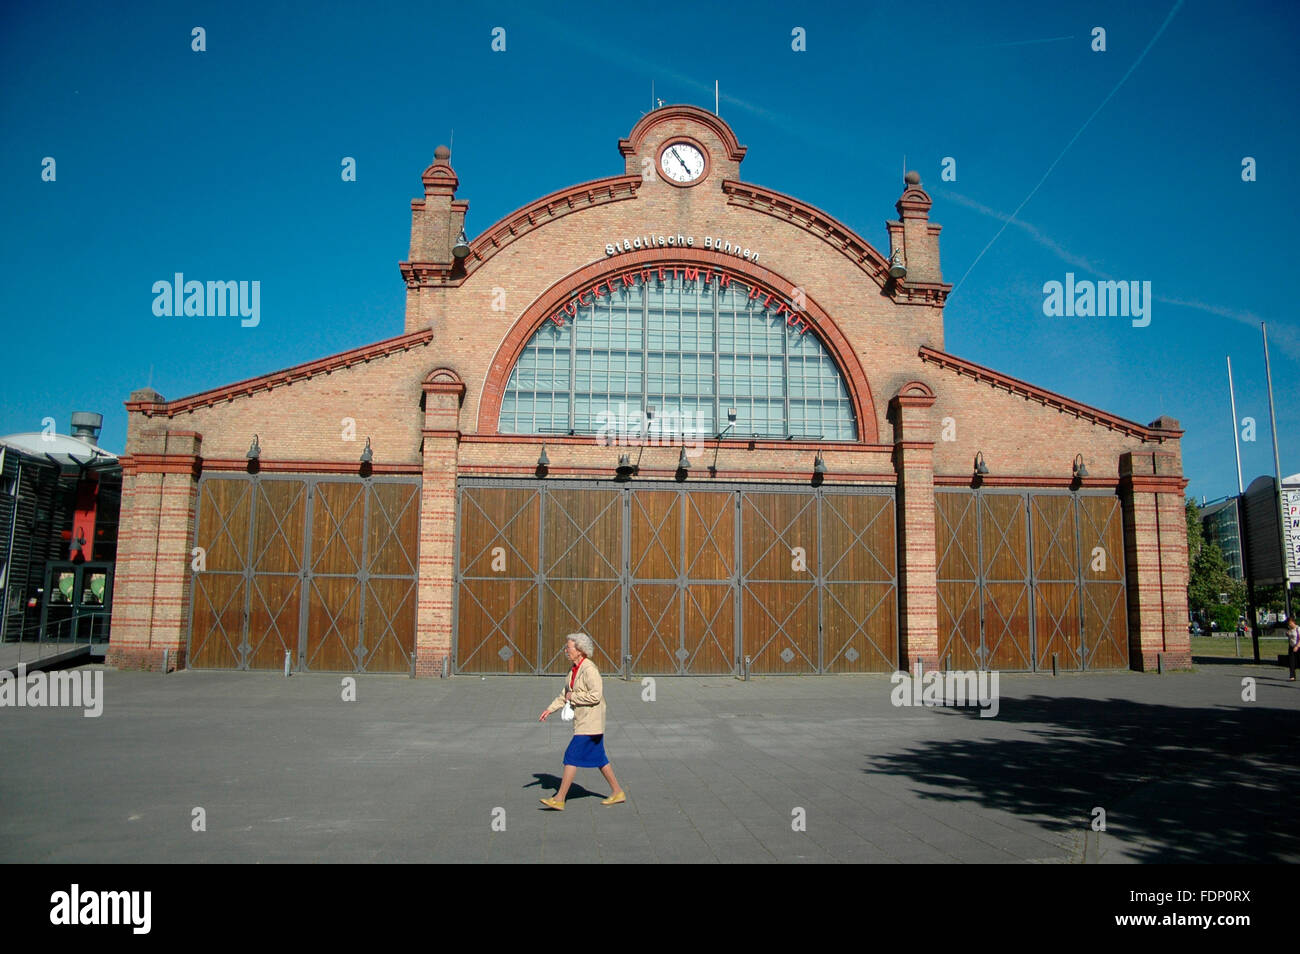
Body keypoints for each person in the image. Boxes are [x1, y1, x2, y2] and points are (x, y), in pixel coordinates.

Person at [537, 633, 625, 810]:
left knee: (571, 756)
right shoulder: (573, 670)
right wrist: (550, 709)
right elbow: (564, 694)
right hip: (584, 721)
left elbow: (595, 695)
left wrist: (574, 696)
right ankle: (617, 792)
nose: (566, 650)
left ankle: (560, 798)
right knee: (600, 759)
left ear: (579, 650)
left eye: (568, 647)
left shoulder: (589, 669)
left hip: (591, 723)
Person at [1286, 617, 1299, 682]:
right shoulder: (1289, 629)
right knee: (1291, 662)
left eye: (1290, 623)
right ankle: (1292, 676)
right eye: (1288, 623)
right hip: (1291, 646)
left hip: (1298, 646)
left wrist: (1297, 646)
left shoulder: (1298, 629)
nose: (1289, 624)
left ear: (1294, 622)